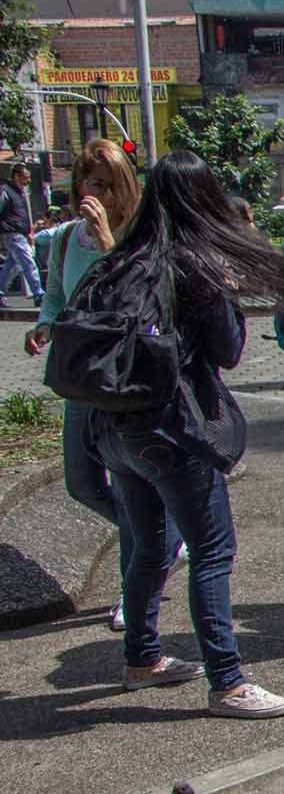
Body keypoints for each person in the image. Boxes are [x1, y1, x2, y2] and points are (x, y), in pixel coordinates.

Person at [84, 151, 284, 717]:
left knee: (149, 548)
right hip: (176, 432)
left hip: (115, 431)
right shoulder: (195, 267)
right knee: (212, 551)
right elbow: (228, 351)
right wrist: (226, 291)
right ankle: (228, 681)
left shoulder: (120, 260)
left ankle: (141, 657)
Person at [24, 140, 166, 633]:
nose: (98, 194)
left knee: (128, 488)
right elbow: (58, 294)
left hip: (122, 377)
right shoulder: (63, 238)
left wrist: (108, 239)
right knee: (82, 484)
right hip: (82, 375)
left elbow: (135, 290)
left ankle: (136, 588)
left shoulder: (135, 234)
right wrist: (44, 325)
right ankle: (159, 540)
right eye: (91, 184)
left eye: (108, 184)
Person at [1, 163, 44, 307]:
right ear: (17, 176)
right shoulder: (6, 191)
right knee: (28, 263)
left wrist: (29, 232)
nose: (28, 181)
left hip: (19, 234)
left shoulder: (19, 193)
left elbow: (23, 216)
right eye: (26, 177)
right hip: (13, 234)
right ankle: (38, 294)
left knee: (12, 267)